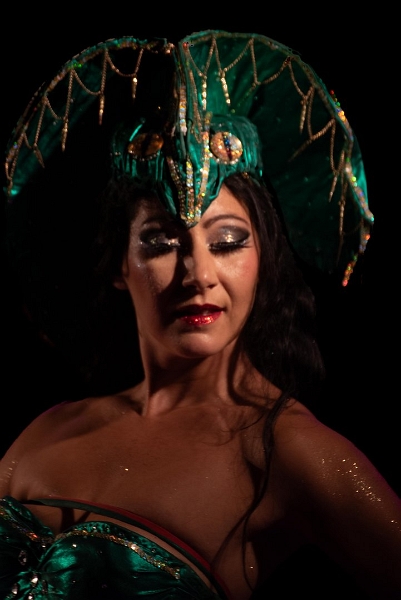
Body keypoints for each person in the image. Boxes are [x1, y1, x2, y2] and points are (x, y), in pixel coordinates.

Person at [0, 31, 399, 600]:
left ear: (262, 258)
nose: (199, 274)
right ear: (119, 264)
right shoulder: (49, 429)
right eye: (163, 243)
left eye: (228, 241)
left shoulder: (281, 451)